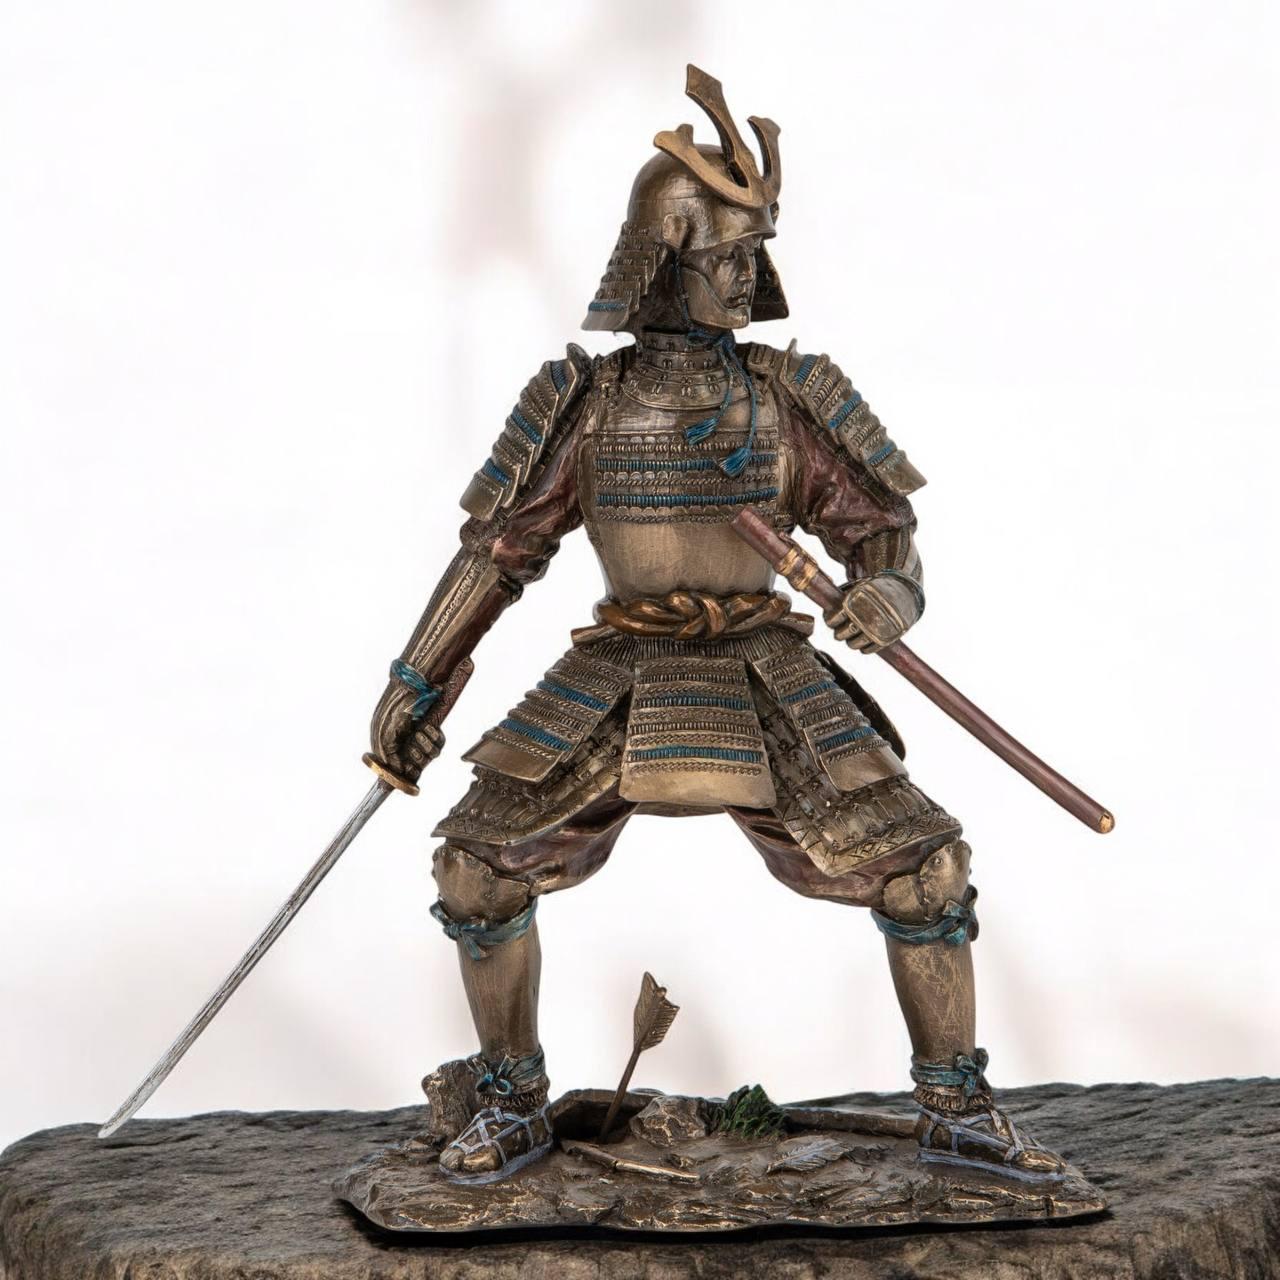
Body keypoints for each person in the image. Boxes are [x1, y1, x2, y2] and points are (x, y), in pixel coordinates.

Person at [364, 66, 1068, 1186]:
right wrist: (417, 679)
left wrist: (885, 592)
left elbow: (882, 529)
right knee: (475, 870)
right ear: (663, 262)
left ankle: (958, 1108)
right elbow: (498, 549)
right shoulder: (584, 402)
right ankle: (509, 1103)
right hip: (621, 669)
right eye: (728, 257)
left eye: (753, 254)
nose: (749, 277)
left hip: (763, 665)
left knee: (926, 872)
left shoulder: (790, 395)